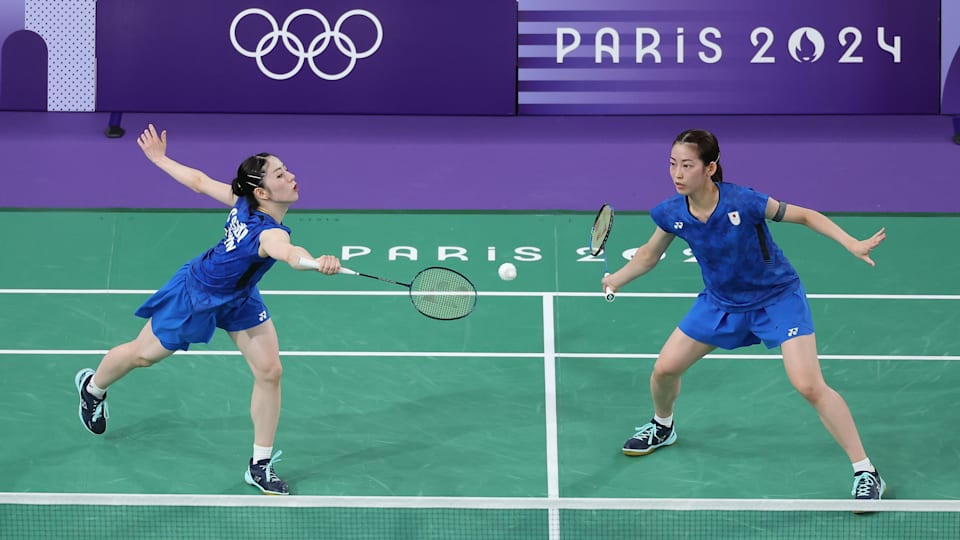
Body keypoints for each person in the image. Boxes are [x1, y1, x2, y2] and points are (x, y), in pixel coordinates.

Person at [601, 129, 888, 500]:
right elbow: (648, 255)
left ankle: (866, 471)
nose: (677, 173)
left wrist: (851, 242)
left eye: (687, 165)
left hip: (776, 298)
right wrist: (617, 280)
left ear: (710, 168)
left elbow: (803, 215)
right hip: (721, 304)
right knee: (664, 369)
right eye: (673, 164)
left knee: (808, 384)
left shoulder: (745, 201)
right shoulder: (671, 212)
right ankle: (663, 425)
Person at [74, 124, 342, 495]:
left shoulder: (244, 199)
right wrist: (315, 262)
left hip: (239, 296)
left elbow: (200, 181)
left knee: (269, 371)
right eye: (280, 174)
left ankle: (259, 464)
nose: (291, 176)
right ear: (262, 191)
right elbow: (289, 254)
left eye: (287, 169)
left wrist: (159, 158)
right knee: (142, 356)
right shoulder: (268, 230)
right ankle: (93, 388)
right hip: (197, 295)